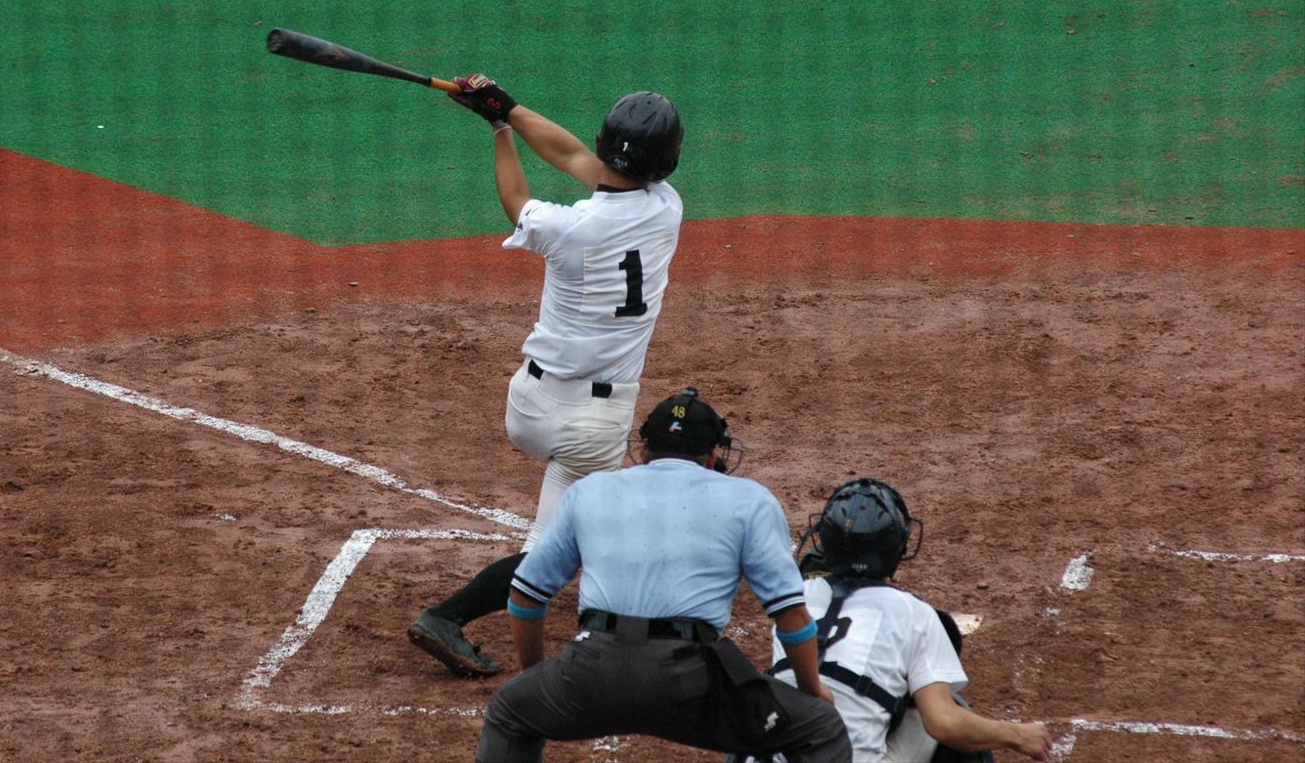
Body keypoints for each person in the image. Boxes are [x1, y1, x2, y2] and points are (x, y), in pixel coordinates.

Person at [408, 74, 687, 677]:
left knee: (610, 501)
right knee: (552, 555)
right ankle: (447, 617)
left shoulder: (568, 229)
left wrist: (501, 123)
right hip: (592, 426)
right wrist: (505, 110)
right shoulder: (667, 209)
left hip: (528, 406)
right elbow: (580, 160)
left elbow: (525, 193)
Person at [476, 387, 852, 763]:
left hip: (591, 672)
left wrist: (535, 679)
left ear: (643, 450)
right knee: (819, 728)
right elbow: (791, 615)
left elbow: (526, 595)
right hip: (690, 682)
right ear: (713, 455)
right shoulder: (750, 500)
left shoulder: (589, 490)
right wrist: (812, 689)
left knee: (511, 711)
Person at [731, 479, 1053, 763]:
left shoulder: (796, 599)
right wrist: (1017, 735)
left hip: (778, 751)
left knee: (762, 706)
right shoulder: (914, 613)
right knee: (947, 708)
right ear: (896, 547)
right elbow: (944, 724)